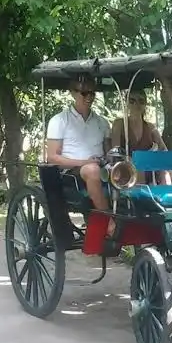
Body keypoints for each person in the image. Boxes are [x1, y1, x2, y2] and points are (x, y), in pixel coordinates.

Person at [45, 75, 115, 234]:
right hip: (70, 174)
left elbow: (108, 152)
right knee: (92, 170)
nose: (89, 97)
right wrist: (84, 162)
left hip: (100, 168)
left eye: (92, 93)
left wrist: (111, 158)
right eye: (84, 93)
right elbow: (52, 157)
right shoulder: (59, 121)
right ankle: (109, 221)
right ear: (73, 93)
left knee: (126, 168)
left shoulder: (102, 122)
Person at [110, 90, 172, 185]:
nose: (137, 104)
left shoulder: (150, 127)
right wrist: (131, 160)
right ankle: (139, 198)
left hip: (148, 167)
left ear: (145, 104)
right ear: (127, 103)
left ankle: (165, 197)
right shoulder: (119, 123)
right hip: (125, 167)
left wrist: (169, 166)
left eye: (141, 101)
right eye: (132, 101)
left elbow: (163, 149)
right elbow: (116, 150)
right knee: (136, 168)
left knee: (166, 172)